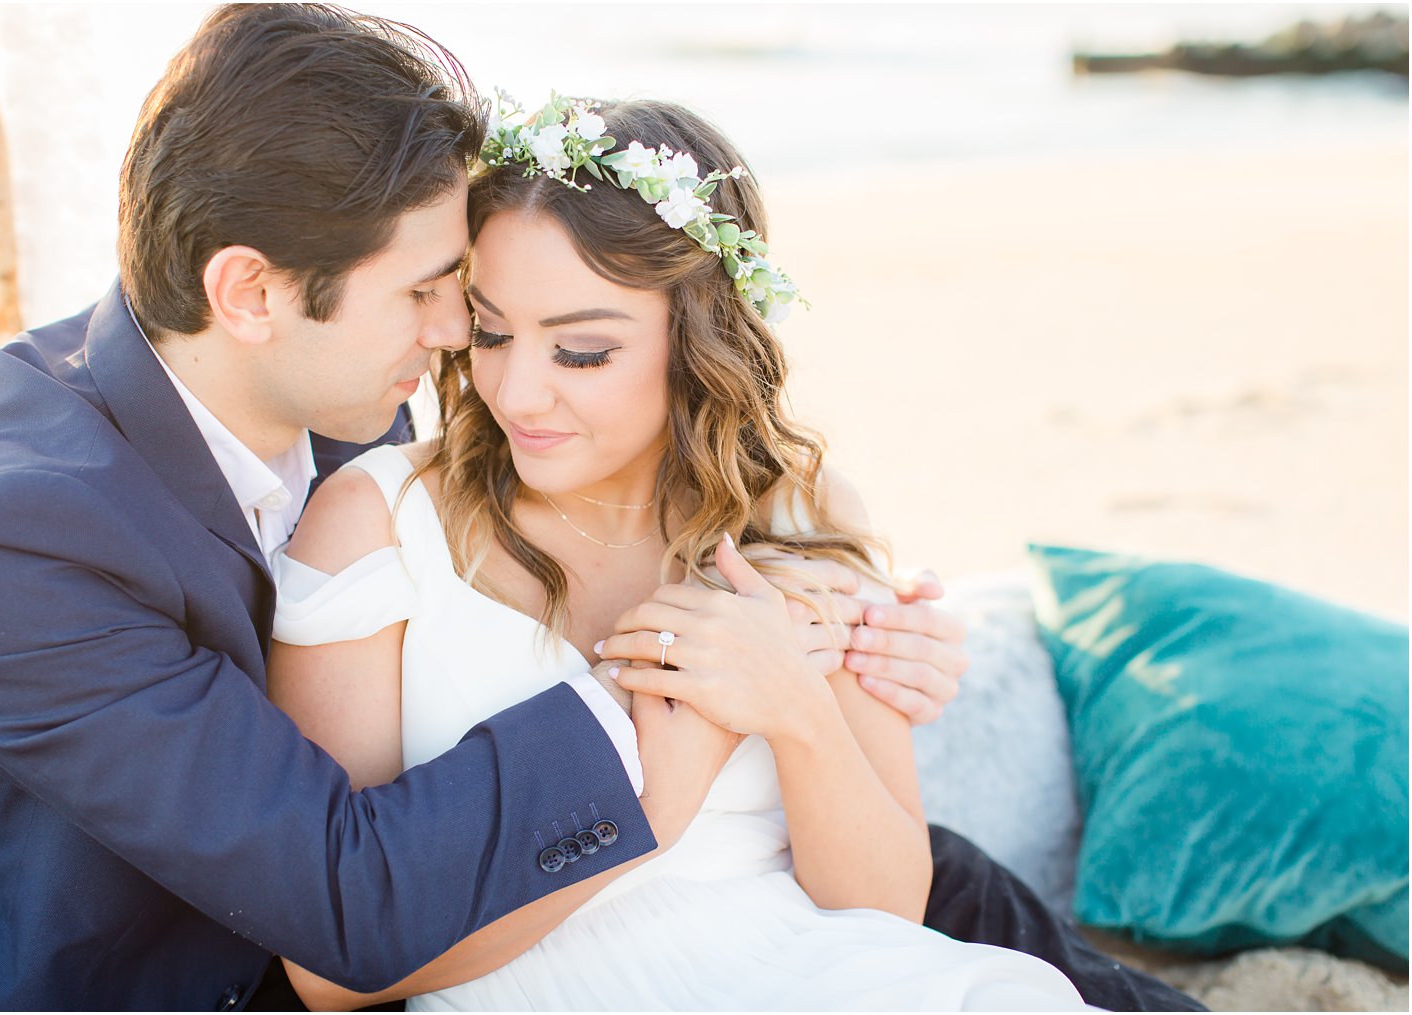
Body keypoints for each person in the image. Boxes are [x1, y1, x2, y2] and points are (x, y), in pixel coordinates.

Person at [0, 6, 974, 1010]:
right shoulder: (5, 540)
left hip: (595, 896)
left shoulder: (332, 383)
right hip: (202, 983)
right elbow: (343, 905)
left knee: (971, 924)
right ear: (249, 293)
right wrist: (668, 718)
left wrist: (866, 647)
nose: (463, 342)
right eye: (426, 293)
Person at [266, 95, 1202, 1011]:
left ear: (699, 338)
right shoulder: (374, 525)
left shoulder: (800, 513)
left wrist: (794, 707)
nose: (515, 393)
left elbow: (885, 906)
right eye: (493, 331)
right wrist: (651, 799)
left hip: (817, 971)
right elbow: (334, 974)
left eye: (582, 351)